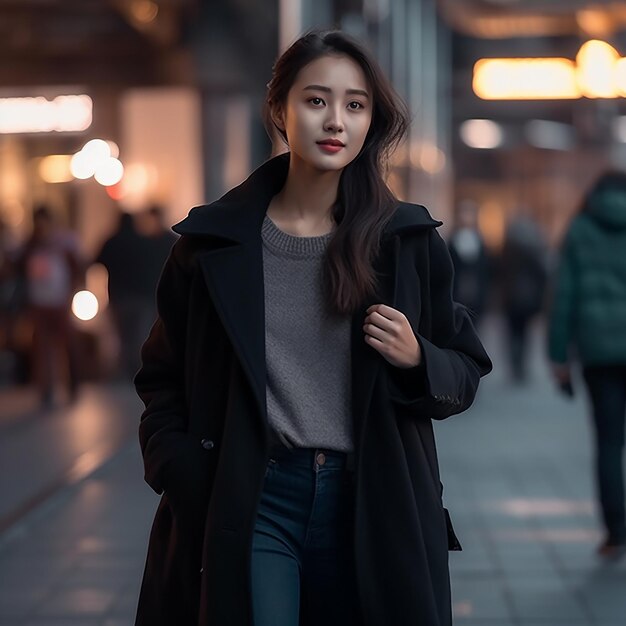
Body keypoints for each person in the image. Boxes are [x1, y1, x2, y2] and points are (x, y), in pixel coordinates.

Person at [134, 30, 492, 626]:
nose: (336, 121)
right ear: (279, 109)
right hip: (254, 498)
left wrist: (418, 358)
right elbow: (160, 377)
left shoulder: (403, 242)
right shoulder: (211, 246)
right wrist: (183, 473)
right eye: (316, 100)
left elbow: (466, 366)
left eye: (355, 105)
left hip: (371, 500)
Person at [548, 171, 626, 559]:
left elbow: (564, 296)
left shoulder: (580, 228)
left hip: (598, 353)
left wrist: (558, 355)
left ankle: (615, 533)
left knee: (610, 443)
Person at [16, 205, 83, 406]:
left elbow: (77, 266)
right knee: (42, 348)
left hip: (59, 300)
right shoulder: (30, 245)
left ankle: (72, 384)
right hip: (39, 302)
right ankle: (47, 389)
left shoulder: (63, 242)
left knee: (68, 343)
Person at [95, 211, 162, 381]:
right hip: (143, 296)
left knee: (123, 336)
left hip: (119, 296)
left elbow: (96, 261)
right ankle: (139, 371)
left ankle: (127, 371)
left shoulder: (112, 241)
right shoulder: (144, 242)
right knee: (141, 334)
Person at [499, 215, 548, 382]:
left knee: (512, 332)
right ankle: (521, 365)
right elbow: (542, 274)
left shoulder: (507, 249)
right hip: (528, 298)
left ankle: (514, 364)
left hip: (510, 297)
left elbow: (499, 272)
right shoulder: (535, 250)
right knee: (525, 333)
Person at [447, 199, 491, 326]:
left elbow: (485, 270)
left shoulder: (480, 241)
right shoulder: (452, 241)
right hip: (456, 295)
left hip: (476, 296)